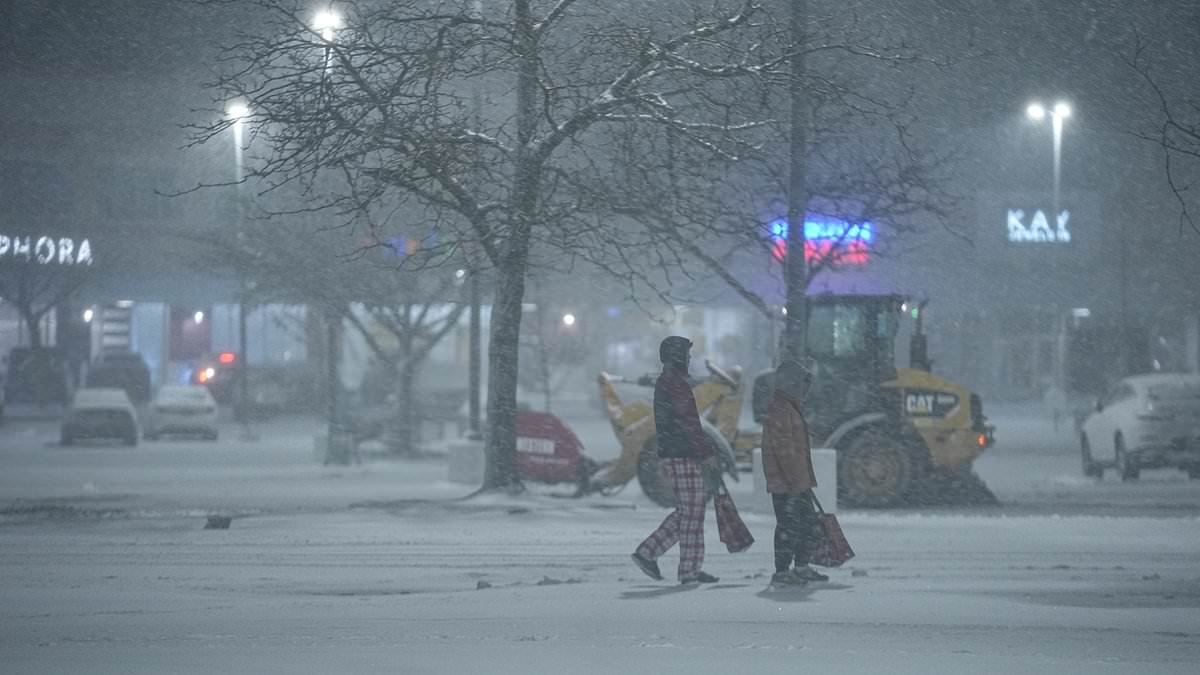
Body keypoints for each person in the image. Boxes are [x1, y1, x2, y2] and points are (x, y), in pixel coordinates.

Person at [631, 336, 720, 585]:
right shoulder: (675, 384)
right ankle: (650, 553)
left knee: (692, 511)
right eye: (687, 354)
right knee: (691, 510)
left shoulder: (669, 381)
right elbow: (689, 422)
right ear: (677, 356)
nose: (690, 359)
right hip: (683, 452)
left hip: (677, 451)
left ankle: (688, 567)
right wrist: (706, 452)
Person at [761, 358, 827, 586]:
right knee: (788, 526)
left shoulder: (790, 407)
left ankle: (801, 566)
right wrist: (796, 482)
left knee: (806, 523)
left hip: (797, 481)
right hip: (787, 483)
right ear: (790, 384)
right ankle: (782, 571)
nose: (804, 390)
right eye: (800, 384)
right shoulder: (780, 408)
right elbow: (785, 450)